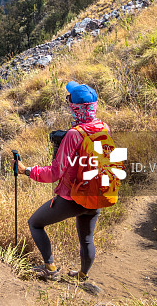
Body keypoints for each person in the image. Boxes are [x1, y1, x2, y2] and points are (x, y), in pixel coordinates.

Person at [15, 81, 108, 284]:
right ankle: (82, 275)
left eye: (69, 100)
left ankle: (50, 268)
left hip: (74, 197)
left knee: (35, 223)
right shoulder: (103, 127)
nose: (67, 101)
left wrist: (27, 171)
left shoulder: (74, 135)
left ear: (74, 107)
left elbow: (55, 173)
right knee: (86, 238)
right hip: (97, 195)